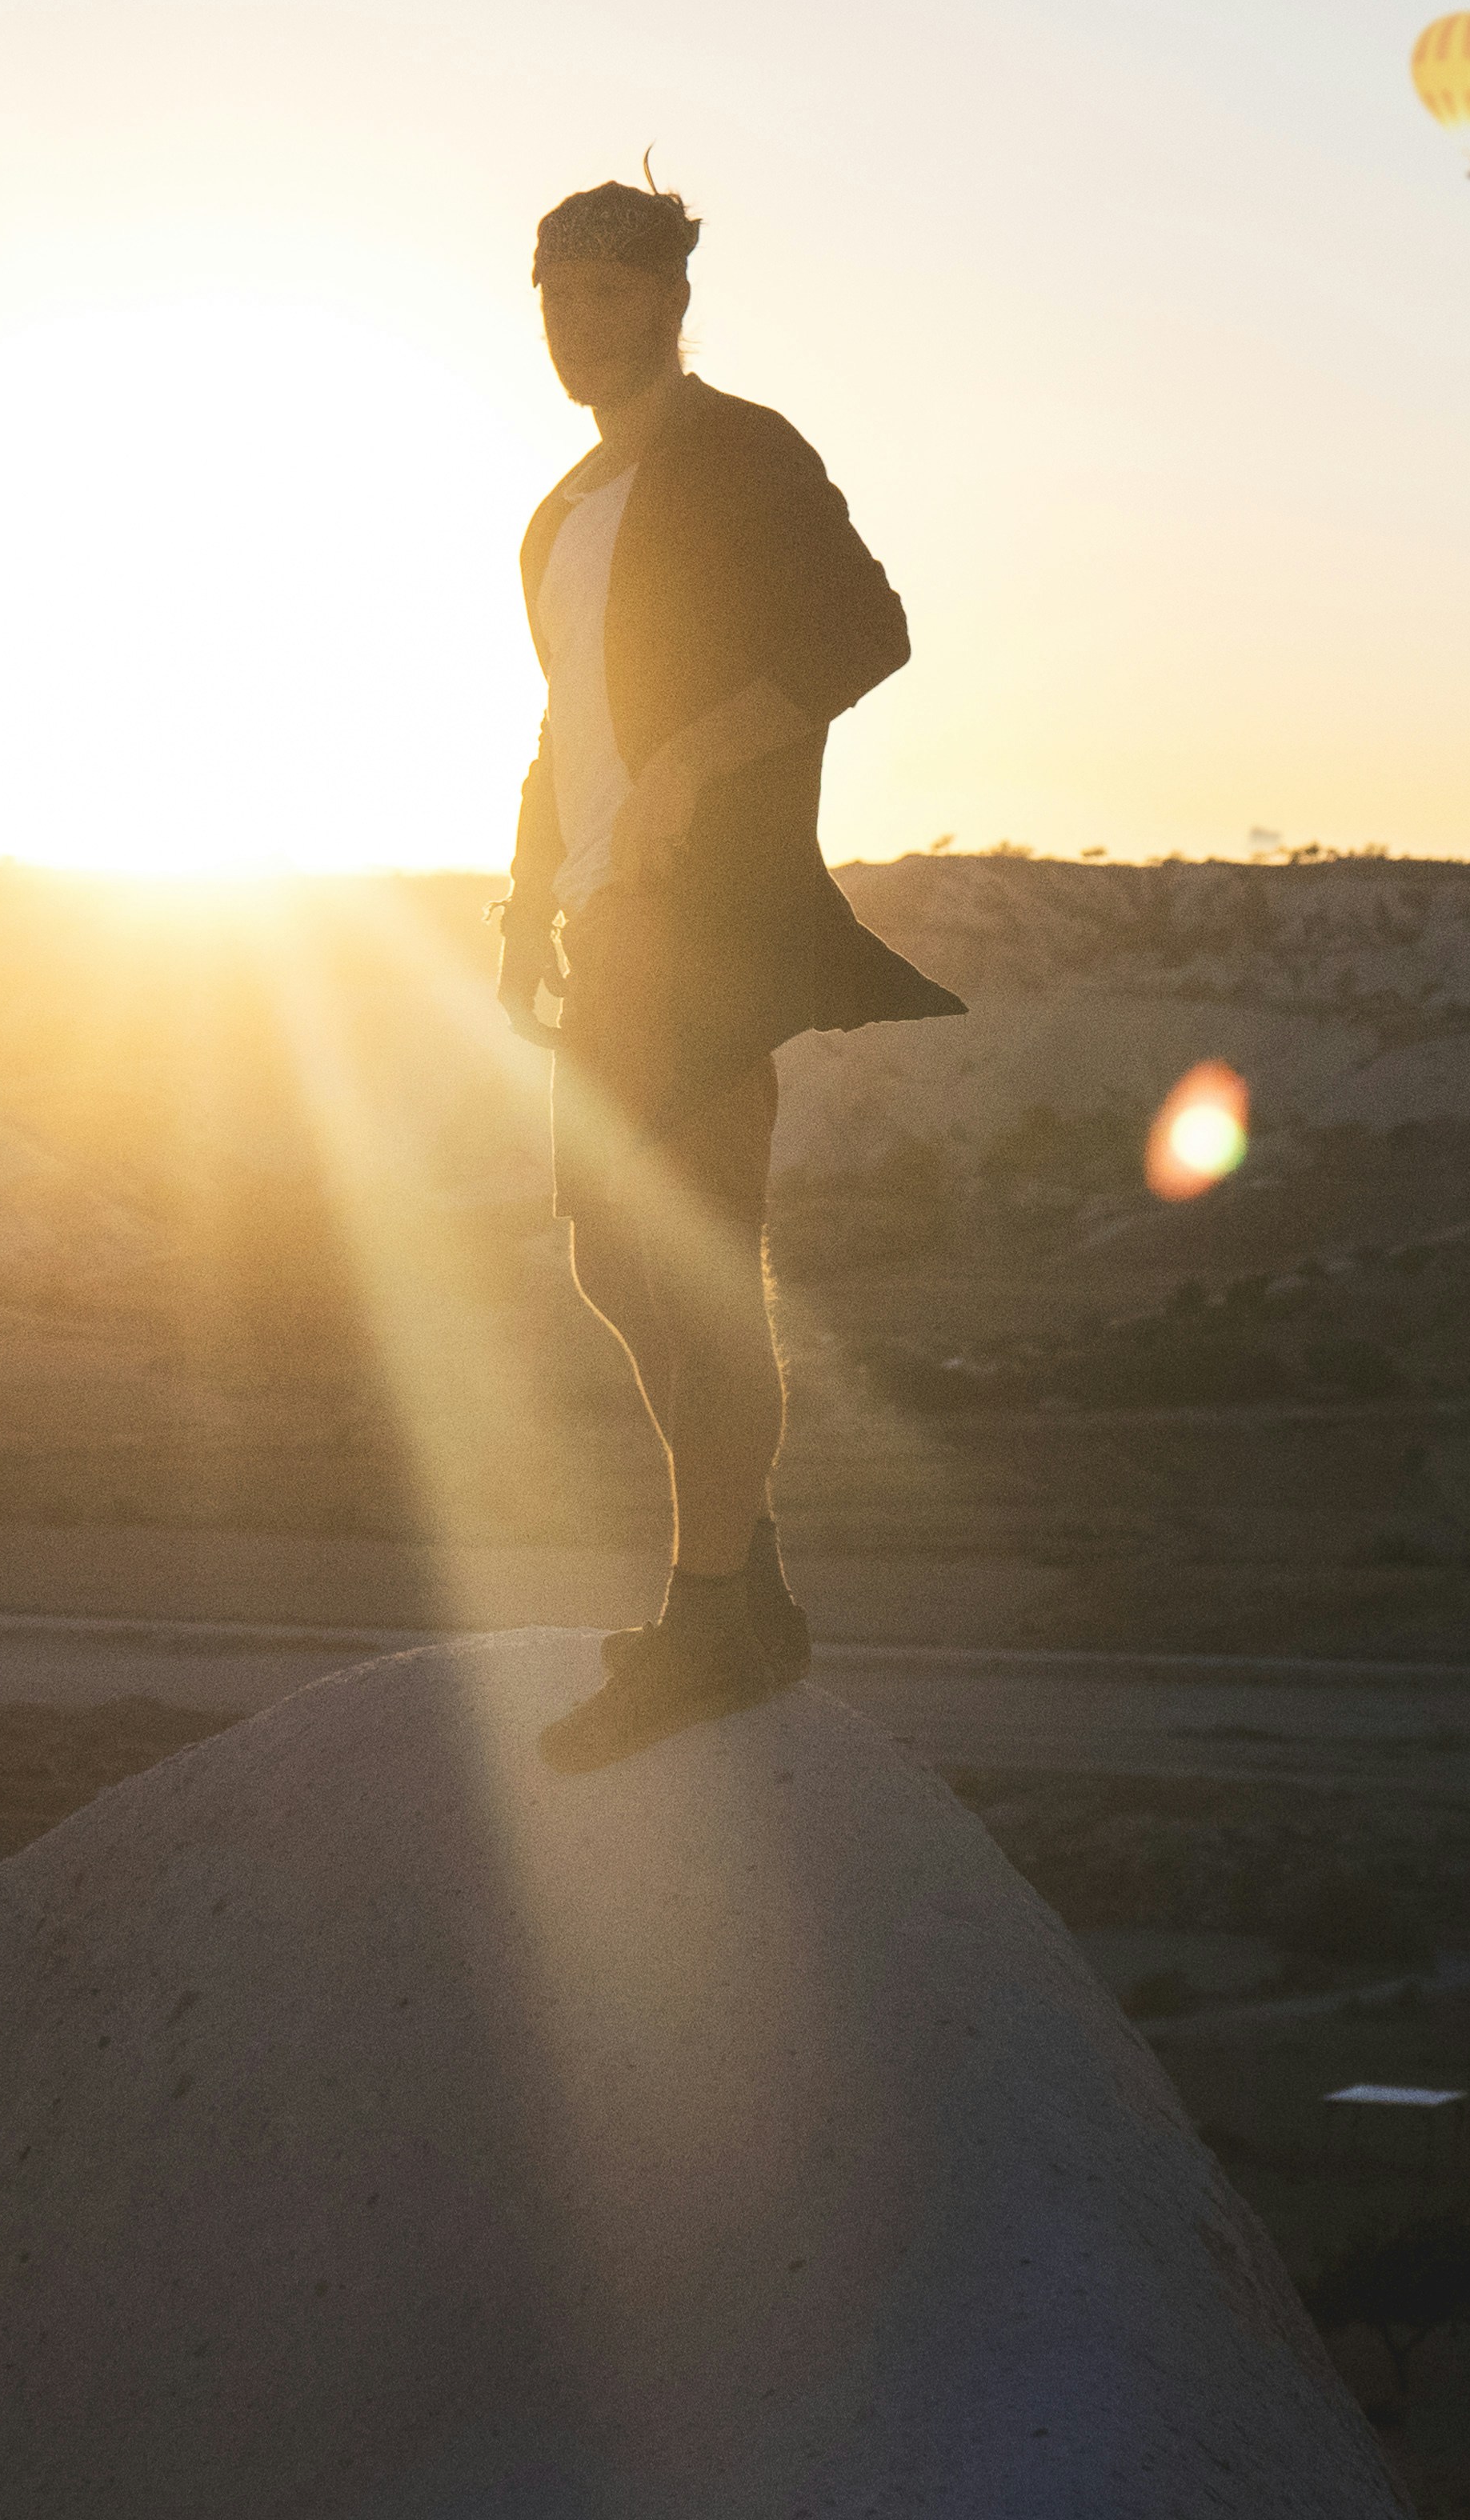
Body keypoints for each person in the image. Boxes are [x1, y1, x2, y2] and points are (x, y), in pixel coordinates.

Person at [499, 174, 962, 1772]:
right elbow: (561, 736)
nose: (576, 319)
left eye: (609, 292)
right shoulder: (559, 513)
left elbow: (866, 627)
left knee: (697, 1265)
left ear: (669, 301)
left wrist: (704, 753)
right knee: (604, 1265)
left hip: (707, 925)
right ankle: (744, 1580)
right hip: (595, 930)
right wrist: (518, 914)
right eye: (554, 292)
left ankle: (709, 1621)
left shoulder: (741, 450)